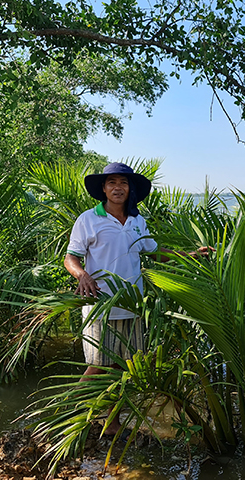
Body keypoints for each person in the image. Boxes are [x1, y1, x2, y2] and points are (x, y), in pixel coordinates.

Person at [64, 162, 210, 435]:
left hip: (132, 305)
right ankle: (65, 416)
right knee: (97, 366)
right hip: (101, 304)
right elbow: (70, 257)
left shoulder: (136, 221)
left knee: (123, 368)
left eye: (123, 183)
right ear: (104, 189)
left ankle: (111, 423)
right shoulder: (88, 219)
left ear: (130, 189)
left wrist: (191, 256)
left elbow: (155, 253)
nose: (117, 188)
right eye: (112, 183)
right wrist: (82, 275)